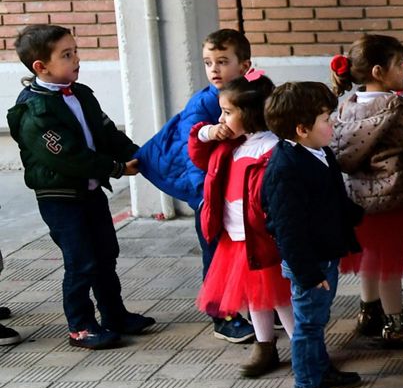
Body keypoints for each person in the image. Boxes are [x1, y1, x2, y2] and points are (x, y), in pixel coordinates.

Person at [7, 25, 150, 350]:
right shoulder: (35, 110)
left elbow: (106, 132)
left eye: (76, 51)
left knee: (105, 254)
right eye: (67, 55)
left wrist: (135, 153)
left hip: (90, 192)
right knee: (81, 260)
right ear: (40, 67)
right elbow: (67, 157)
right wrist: (115, 168)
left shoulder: (80, 93)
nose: (76, 60)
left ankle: (115, 314)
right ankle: (81, 326)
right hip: (60, 198)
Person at [133, 28, 257, 343]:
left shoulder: (254, 94)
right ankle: (222, 314)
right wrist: (204, 196)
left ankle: (261, 307)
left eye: (222, 61)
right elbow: (193, 153)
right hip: (210, 193)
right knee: (216, 252)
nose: (214, 69)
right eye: (207, 62)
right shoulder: (204, 103)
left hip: (240, 191)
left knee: (247, 250)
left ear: (244, 66)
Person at [329, 34, 403, 350]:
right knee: (390, 262)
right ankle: (396, 321)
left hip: (362, 199)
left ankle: (369, 310)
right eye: (399, 64)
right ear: (379, 71)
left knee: (371, 258)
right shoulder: (396, 107)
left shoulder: (348, 106)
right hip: (393, 199)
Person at [261, 81, 365, 388]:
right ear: (302, 129)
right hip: (309, 262)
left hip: (322, 255)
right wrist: (307, 273)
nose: (332, 123)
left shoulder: (320, 153)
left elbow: (333, 198)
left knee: (317, 318)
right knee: (308, 324)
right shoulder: (286, 169)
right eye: (326, 118)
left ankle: (321, 371)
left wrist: (354, 216)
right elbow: (289, 229)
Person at [190, 72, 294, 377]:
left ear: (248, 114)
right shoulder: (231, 145)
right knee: (254, 297)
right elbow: (197, 155)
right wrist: (208, 132)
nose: (221, 119)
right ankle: (265, 345)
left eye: (227, 112)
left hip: (263, 237)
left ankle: (306, 348)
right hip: (235, 238)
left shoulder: (272, 148)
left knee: (279, 298)